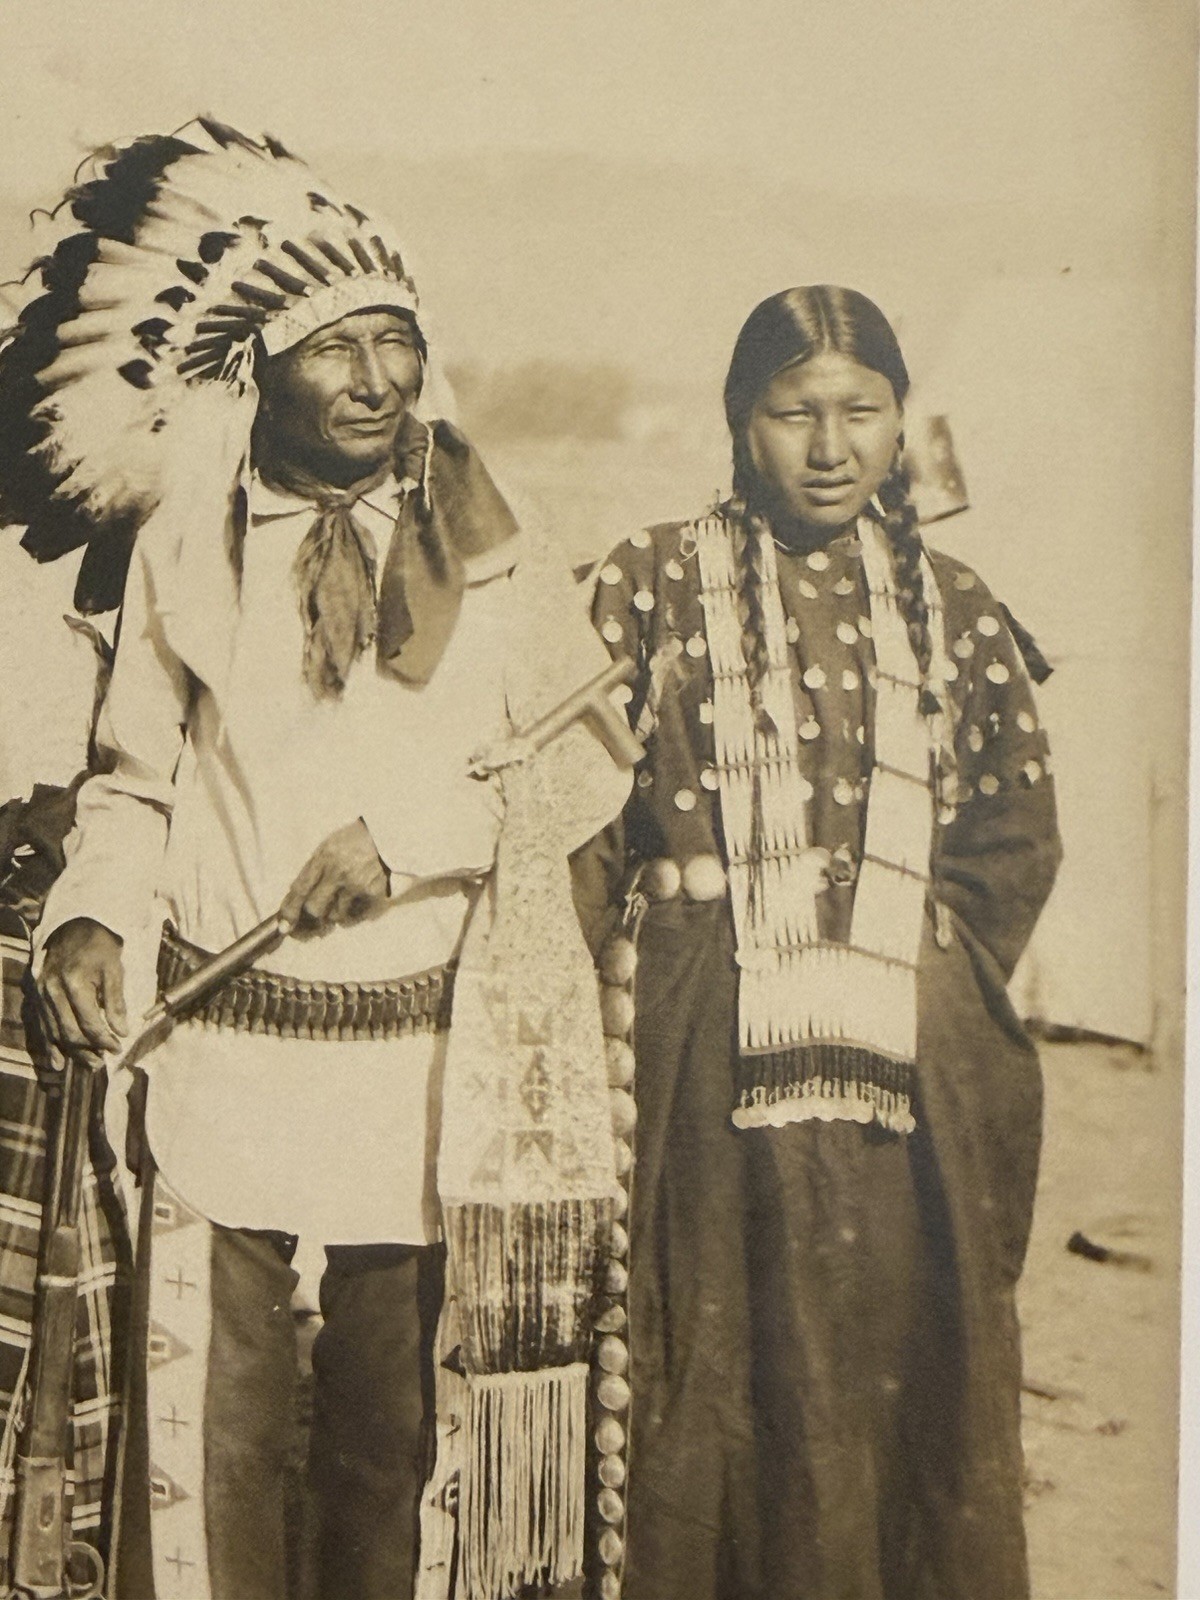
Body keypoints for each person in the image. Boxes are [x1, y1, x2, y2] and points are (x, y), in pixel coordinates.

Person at [0, 119, 629, 1600]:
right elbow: (136, 779)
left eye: (398, 342)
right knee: (211, 1430)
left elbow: (585, 759)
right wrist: (95, 914)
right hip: (224, 1051)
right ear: (258, 369)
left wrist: (408, 840)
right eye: (336, 349)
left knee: (390, 1440)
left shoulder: (493, 540)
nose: (377, 379)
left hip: (419, 1066)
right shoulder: (186, 544)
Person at [579, 285, 1062, 1600]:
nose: (833, 447)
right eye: (796, 414)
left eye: (864, 411)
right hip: (701, 1055)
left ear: (902, 422)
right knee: (710, 1364)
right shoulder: (646, 584)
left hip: (910, 1073)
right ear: (742, 422)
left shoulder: (956, 608)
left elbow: (1014, 835)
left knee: (898, 1362)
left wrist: (914, 963)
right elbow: (576, 827)